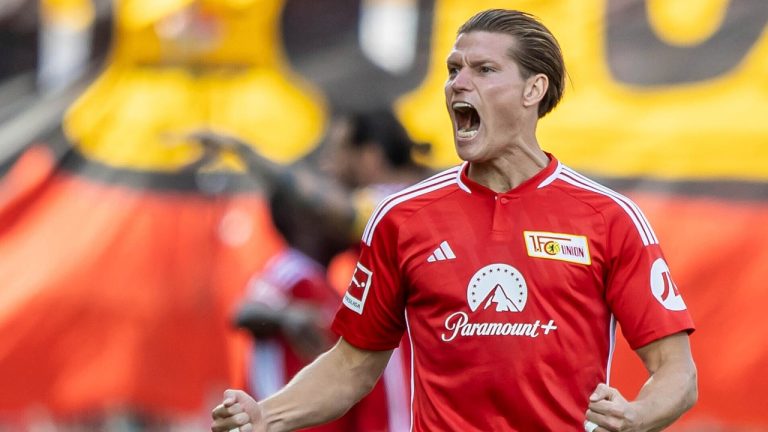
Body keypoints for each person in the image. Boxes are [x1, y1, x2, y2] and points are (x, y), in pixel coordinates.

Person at [211, 9, 697, 432]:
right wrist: (266, 417)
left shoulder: (608, 219)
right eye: (453, 69)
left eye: (484, 70)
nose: (458, 84)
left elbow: (676, 372)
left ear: (534, 89)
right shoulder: (401, 217)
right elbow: (352, 365)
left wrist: (636, 417)